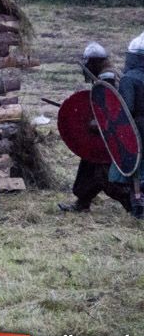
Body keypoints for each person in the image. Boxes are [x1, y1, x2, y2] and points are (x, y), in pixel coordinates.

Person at [58, 42, 132, 213]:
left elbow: (110, 111)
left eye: (88, 63)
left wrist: (96, 124)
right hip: (103, 137)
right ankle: (82, 203)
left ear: (94, 62)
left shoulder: (107, 78)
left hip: (110, 136)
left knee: (104, 176)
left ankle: (134, 207)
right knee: (88, 164)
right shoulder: (109, 74)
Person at [112, 32, 144, 219]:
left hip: (138, 127)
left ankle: (138, 206)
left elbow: (126, 109)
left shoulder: (129, 79)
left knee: (134, 167)